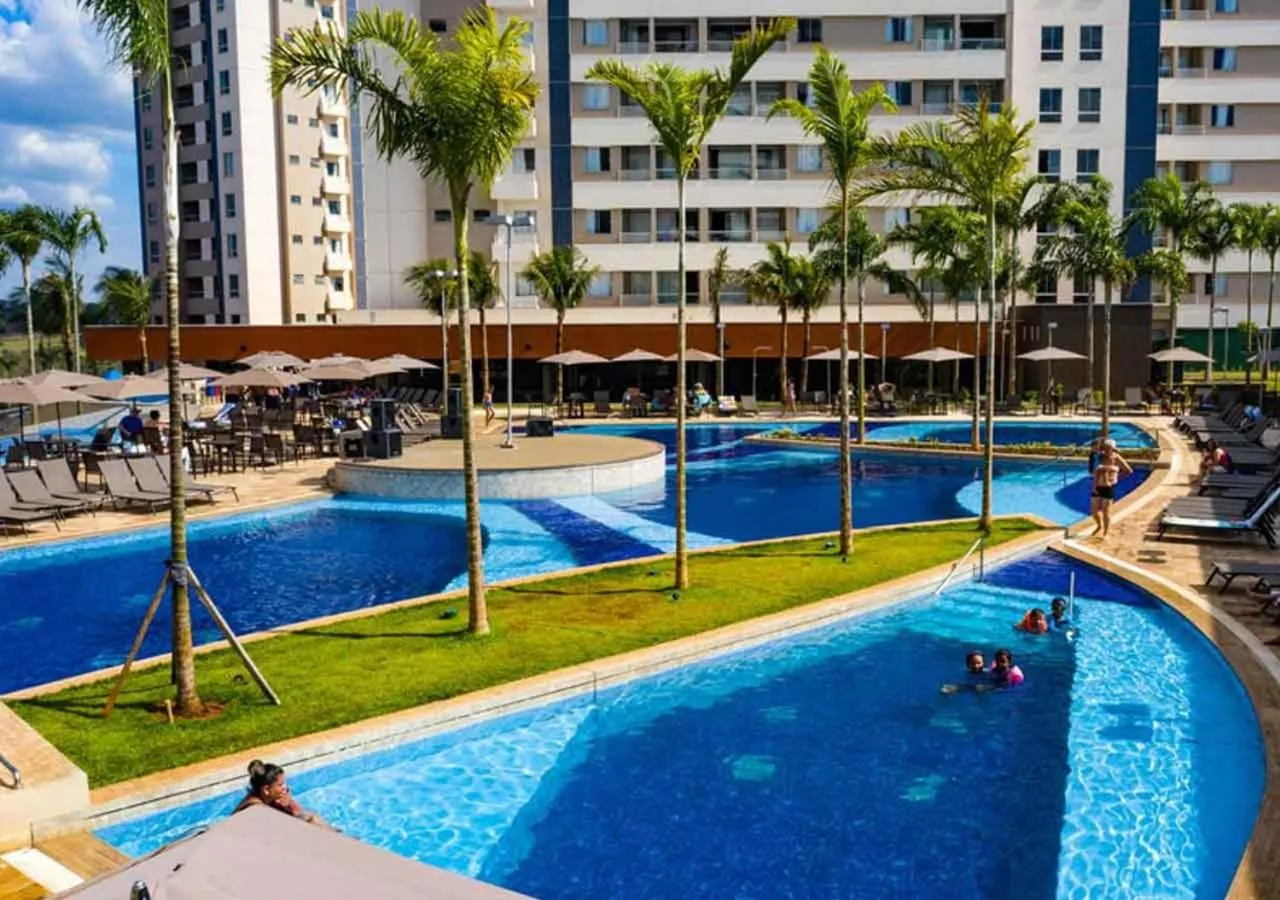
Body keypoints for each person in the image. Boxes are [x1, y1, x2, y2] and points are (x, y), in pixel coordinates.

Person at [234, 760, 327, 826]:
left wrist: (290, 803)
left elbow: (298, 812)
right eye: (280, 785)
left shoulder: (268, 798)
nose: (284, 788)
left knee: (312, 818)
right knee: (311, 821)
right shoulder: (255, 807)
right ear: (266, 790)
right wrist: (289, 808)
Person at [1090, 439, 1133, 538]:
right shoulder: (1099, 457)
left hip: (1109, 487)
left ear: (1113, 449)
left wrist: (1116, 477)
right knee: (1094, 511)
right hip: (1097, 486)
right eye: (1105, 448)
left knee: (1106, 512)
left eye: (1109, 449)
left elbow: (1129, 470)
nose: (1106, 451)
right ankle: (1099, 525)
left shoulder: (1116, 458)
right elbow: (1093, 456)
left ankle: (1106, 532)